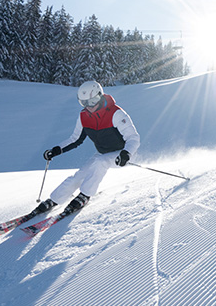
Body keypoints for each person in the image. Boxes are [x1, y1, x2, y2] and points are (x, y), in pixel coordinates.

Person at [33, 80, 140, 217]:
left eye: (91, 101)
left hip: (123, 154)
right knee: (79, 176)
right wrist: (56, 150)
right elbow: (75, 139)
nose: (88, 106)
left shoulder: (116, 113)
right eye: (83, 103)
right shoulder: (84, 116)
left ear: (99, 97)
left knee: (101, 162)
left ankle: (85, 195)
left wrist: (126, 153)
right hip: (102, 153)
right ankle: (54, 199)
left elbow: (133, 138)